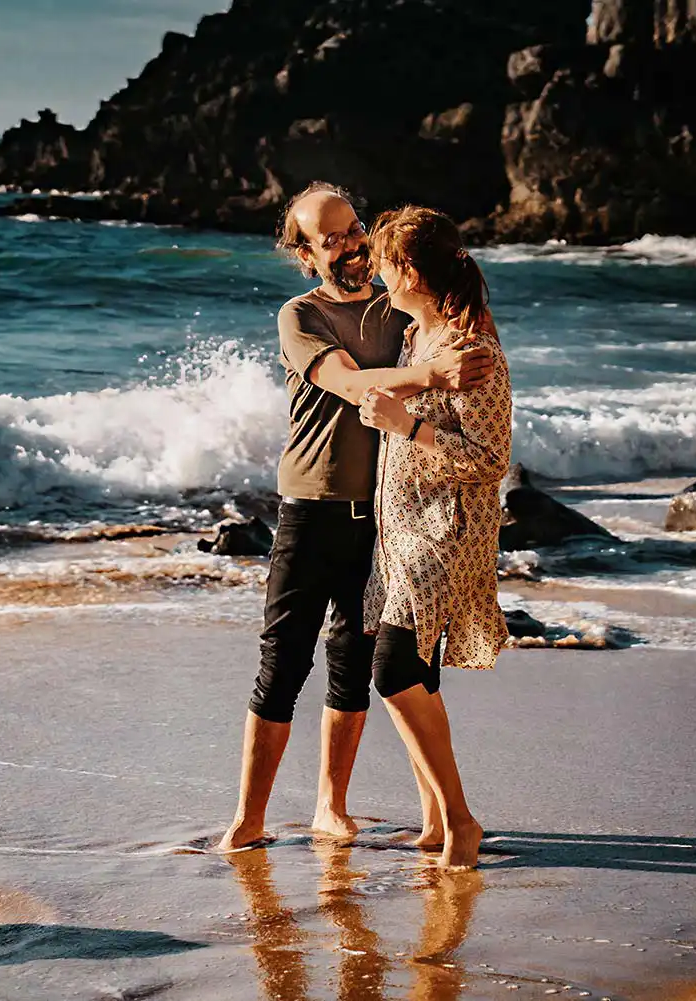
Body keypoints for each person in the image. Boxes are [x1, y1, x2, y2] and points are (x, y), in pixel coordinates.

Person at [218, 184, 495, 851]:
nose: (350, 245)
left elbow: (450, 323)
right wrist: (435, 377)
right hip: (310, 511)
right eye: (331, 238)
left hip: (386, 519)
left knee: (355, 661)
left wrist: (468, 352)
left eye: (354, 229)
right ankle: (248, 820)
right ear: (306, 253)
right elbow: (348, 384)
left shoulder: (397, 307)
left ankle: (330, 807)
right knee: (282, 663)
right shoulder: (299, 315)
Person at [357, 205, 513, 869]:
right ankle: (433, 820)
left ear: (412, 272)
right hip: (403, 530)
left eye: (384, 265)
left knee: (393, 672)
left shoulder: (469, 350)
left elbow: (489, 457)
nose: (376, 276)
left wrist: (404, 424)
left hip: (447, 532)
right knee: (416, 670)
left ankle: (462, 819)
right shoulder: (417, 338)